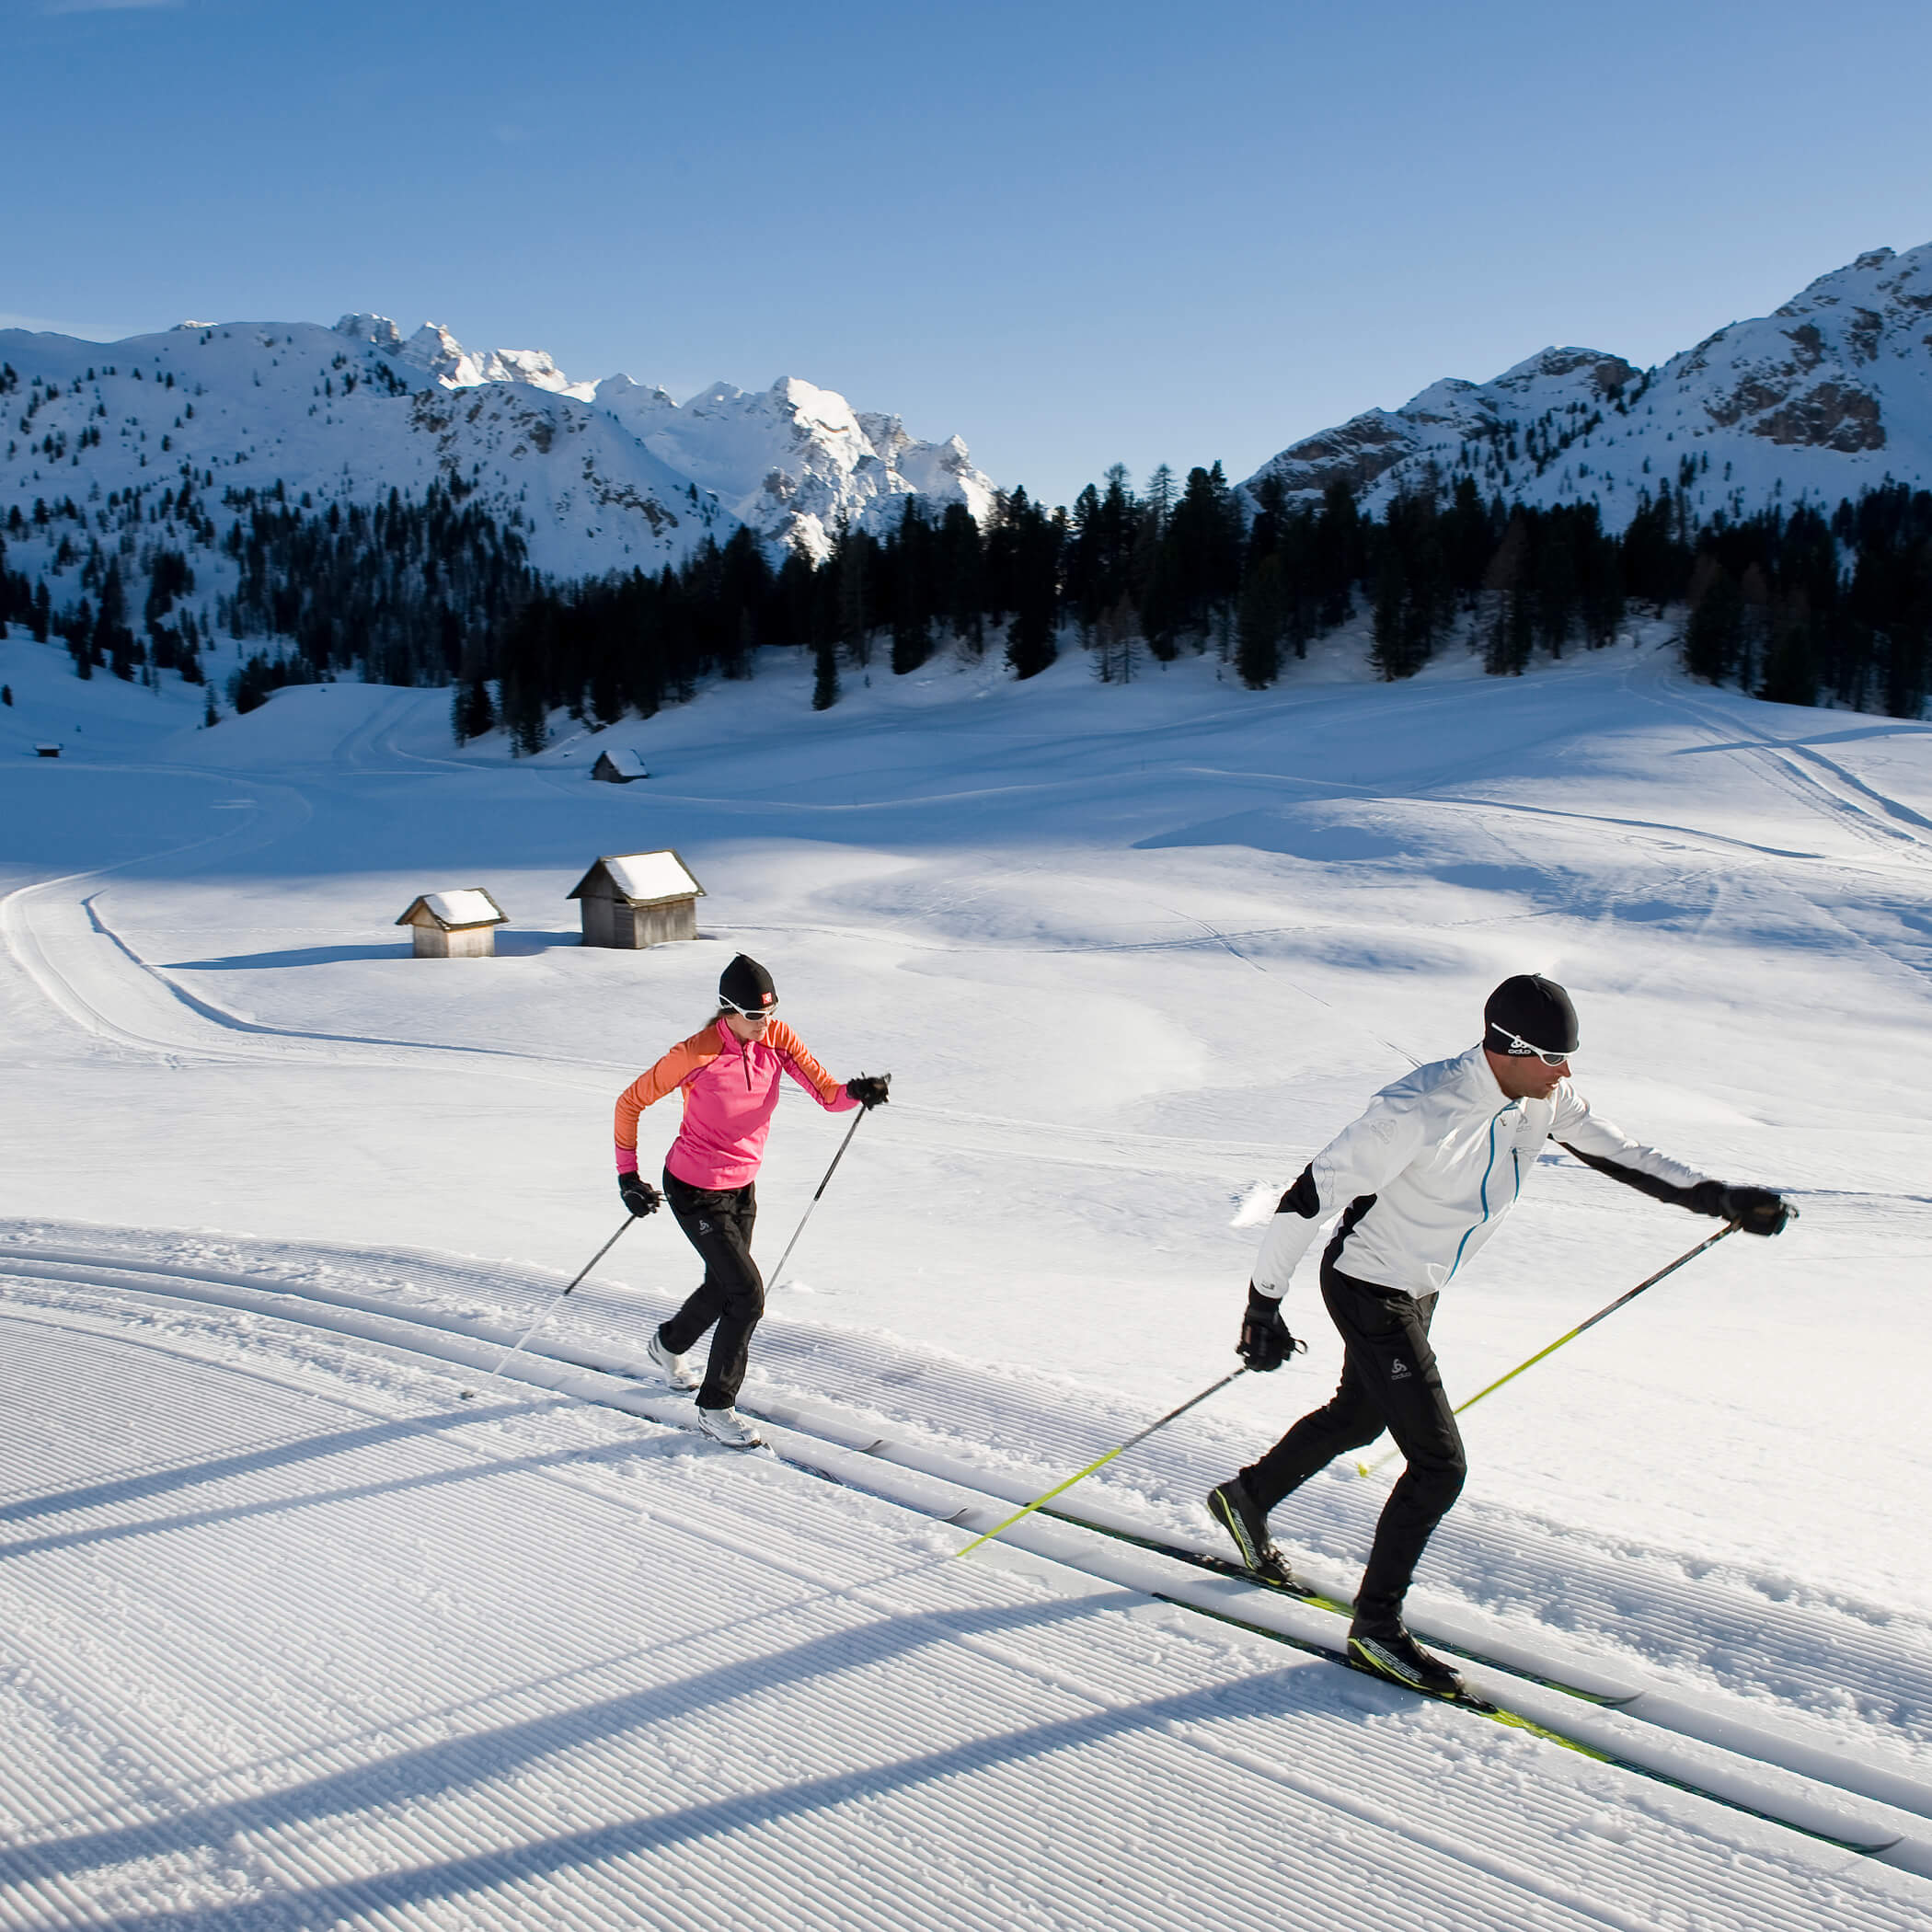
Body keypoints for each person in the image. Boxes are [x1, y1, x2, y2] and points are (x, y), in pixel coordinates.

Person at [1207, 973, 1793, 1697]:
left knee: (1358, 1419)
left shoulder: (1540, 1098)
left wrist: (1720, 1198)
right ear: (1508, 1048)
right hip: (1368, 1285)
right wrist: (1262, 1309)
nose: (1567, 1072)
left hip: (1418, 1286)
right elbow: (1305, 1202)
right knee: (1439, 1467)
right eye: (1554, 1057)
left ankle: (1248, 1498)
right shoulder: (1417, 1109)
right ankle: (1376, 1630)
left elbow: (1625, 1155)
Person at [613, 954, 890, 1448]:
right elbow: (629, 1102)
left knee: (722, 1288)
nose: (766, 1024)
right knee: (747, 1296)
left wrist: (856, 1091)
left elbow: (827, 1096)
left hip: (742, 1186)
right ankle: (716, 1407)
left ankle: (667, 1344)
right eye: (756, 1016)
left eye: (771, 1012)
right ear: (727, 1010)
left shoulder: (778, 1040)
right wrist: (628, 1177)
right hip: (693, 1188)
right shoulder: (693, 1054)